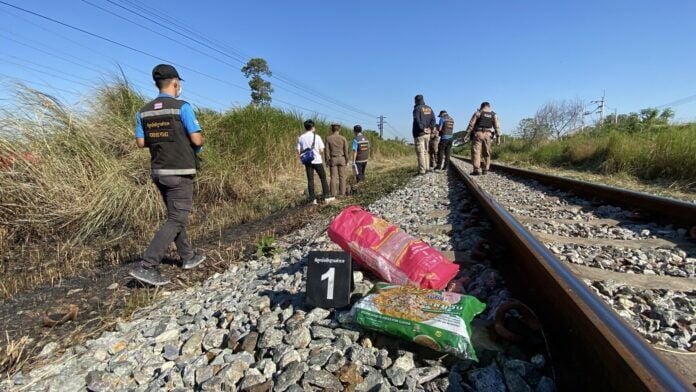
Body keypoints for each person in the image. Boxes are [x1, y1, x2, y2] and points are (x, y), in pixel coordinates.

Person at [129, 64, 206, 286]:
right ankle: (146, 265)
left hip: (159, 170)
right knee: (177, 218)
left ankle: (188, 256)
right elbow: (197, 139)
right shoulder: (182, 107)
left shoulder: (143, 111)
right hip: (180, 170)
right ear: (175, 83)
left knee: (175, 215)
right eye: (178, 83)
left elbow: (141, 142)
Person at [297, 119, 333, 204]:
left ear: (305, 127)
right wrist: (317, 153)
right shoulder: (317, 137)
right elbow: (321, 150)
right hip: (317, 160)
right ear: (312, 127)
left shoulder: (301, 137)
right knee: (323, 177)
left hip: (307, 161)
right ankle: (327, 196)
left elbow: (298, 151)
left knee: (310, 179)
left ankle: (313, 199)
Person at [464, 102, 501, 175]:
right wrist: (498, 138)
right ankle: (485, 169)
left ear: (481, 106)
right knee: (487, 152)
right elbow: (497, 127)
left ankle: (476, 169)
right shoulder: (493, 114)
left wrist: (466, 135)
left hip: (478, 134)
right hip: (488, 134)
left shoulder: (478, 113)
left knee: (476, 151)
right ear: (489, 106)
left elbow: (471, 125)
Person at [412, 94, 436, 175]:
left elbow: (417, 120)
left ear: (416, 101)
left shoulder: (417, 109)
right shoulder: (429, 108)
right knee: (426, 151)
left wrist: (422, 128)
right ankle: (427, 168)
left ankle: (422, 170)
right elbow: (433, 119)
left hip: (419, 133)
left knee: (420, 152)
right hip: (427, 134)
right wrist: (430, 128)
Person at [325, 123, 350, 196]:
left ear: (332, 129)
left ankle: (333, 194)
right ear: (339, 129)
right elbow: (346, 151)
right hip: (342, 158)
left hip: (333, 159)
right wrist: (347, 160)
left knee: (333, 177)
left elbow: (326, 151)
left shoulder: (328, 138)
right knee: (342, 177)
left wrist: (327, 161)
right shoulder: (343, 138)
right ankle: (342, 193)